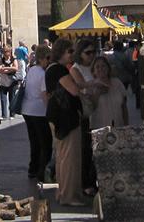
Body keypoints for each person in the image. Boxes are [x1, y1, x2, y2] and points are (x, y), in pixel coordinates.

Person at [45, 38, 86, 206]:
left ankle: (63, 193)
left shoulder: (53, 69)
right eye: (69, 51)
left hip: (58, 117)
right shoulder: (58, 70)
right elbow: (74, 91)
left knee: (63, 158)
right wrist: (88, 86)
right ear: (61, 52)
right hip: (65, 118)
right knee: (69, 159)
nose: (72, 55)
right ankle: (70, 196)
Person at [70, 39, 103, 195]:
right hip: (86, 113)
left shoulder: (95, 66)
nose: (91, 55)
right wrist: (98, 82)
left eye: (93, 52)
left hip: (100, 109)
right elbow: (81, 85)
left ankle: (98, 180)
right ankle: (86, 183)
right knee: (87, 150)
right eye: (88, 52)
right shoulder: (76, 69)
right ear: (80, 53)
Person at [21, 44, 52, 182]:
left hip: (27, 109)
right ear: (43, 58)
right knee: (45, 142)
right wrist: (50, 111)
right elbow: (44, 94)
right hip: (39, 111)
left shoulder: (32, 69)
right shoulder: (43, 74)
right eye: (48, 58)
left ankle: (32, 169)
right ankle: (42, 171)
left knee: (34, 142)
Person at [89, 56, 128, 129]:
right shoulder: (90, 86)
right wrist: (97, 93)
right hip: (99, 129)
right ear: (93, 71)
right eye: (97, 67)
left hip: (118, 126)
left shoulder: (117, 83)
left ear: (108, 68)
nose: (101, 69)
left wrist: (126, 125)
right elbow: (90, 109)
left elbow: (124, 107)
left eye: (103, 66)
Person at [0, 46, 19, 119]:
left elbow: (16, 68)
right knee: (3, 99)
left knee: (11, 98)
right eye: (4, 51)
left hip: (12, 82)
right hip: (3, 82)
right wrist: (10, 69)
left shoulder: (13, 59)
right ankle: (4, 115)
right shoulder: (1, 60)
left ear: (10, 52)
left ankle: (12, 114)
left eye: (6, 51)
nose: (5, 53)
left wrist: (5, 68)